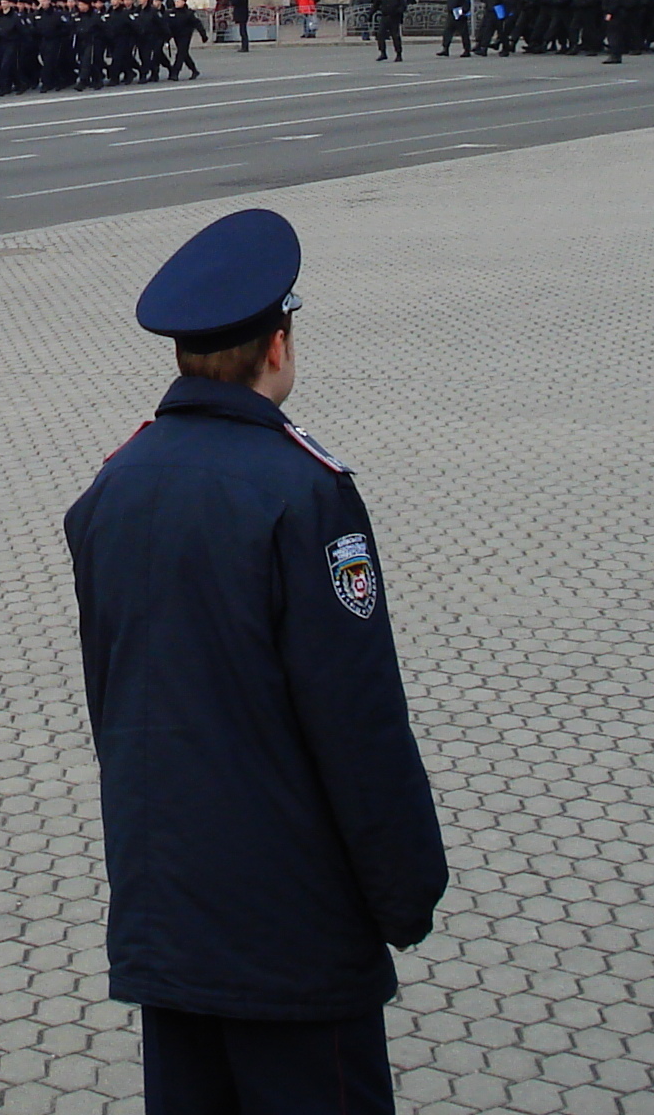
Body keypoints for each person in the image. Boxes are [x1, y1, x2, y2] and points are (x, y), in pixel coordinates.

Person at [64, 208, 449, 1114]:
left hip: (170, 921)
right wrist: (406, 892)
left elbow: (112, 706)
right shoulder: (305, 496)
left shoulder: (113, 489)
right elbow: (357, 724)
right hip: (294, 936)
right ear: (277, 346)